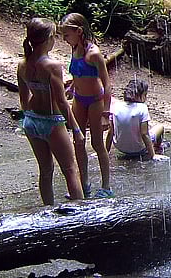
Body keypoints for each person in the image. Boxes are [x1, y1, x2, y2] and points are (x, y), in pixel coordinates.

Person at [17, 18, 85, 204]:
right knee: (70, 170)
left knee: (46, 171)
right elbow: (62, 103)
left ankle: (47, 212)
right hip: (52, 122)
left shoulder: (23, 64)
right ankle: (82, 217)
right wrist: (76, 130)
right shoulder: (52, 66)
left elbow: (24, 100)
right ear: (48, 39)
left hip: (31, 121)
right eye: (54, 35)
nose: (56, 39)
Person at [60, 12, 113, 198]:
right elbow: (77, 73)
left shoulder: (94, 54)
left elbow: (106, 83)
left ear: (79, 31)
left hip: (95, 101)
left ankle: (106, 186)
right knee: (78, 141)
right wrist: (72, 87)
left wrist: (106, 113)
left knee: (97, 143)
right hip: (78, 99)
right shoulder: (74, 48)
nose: (64, 39)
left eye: (66, 35)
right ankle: (84, 184)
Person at [105, 79, 167, 160]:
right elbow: (144, 134)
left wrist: (106, 151)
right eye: (145, 95)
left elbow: (110, 132)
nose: (146, 98)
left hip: (120, 147)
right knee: (160, 127)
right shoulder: (142, 108)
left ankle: (109, 151)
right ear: (138, 96)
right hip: (139, 149)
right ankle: (157, 147)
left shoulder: (115, 106)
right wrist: (153, 156)